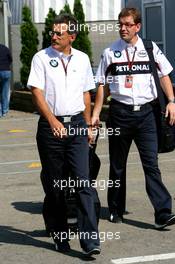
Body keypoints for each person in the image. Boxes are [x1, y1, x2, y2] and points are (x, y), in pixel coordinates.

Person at [92, 7, 175, 229]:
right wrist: (95, 113)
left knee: (151, 164)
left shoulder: (149, 48)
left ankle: (163, 212)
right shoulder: (110, 52)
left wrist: (172, 101)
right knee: (118, 166)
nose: (123, 28)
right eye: (121, 24)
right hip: (120, 114)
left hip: (147, 114)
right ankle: (116, 209)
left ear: (138, 26)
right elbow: (102, 85)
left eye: (128, 24)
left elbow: (164, 75)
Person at [27, 13, 100, 256]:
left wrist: (89, 125)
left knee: (83, 182)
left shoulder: (82, 58)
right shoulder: (41, 58)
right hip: (51, 128)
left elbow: (86, 95)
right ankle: (60, 235)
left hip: (78, 125)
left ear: (72, 36)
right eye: (53, 31)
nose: (54, 36)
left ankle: (90, 240)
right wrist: (52, 120)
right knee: (55, 186)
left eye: (59, 33)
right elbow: (36, 92)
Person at [0, 43, 12, 117]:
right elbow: (10, 59)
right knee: (5, 91)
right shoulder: (5, 48)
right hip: (6, 71)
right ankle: (5, 111)